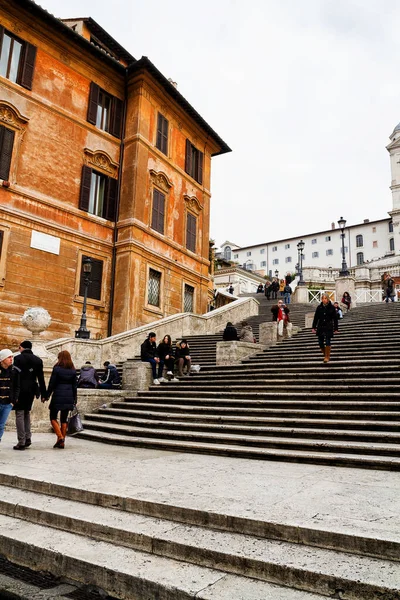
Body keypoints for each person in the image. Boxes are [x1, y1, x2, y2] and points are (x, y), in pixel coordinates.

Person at [12, 340, 46, 450]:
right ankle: (28, 438)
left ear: (22, 347)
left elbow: (15, 376)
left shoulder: (17, 359)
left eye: (19, 347)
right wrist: (43, 394)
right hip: (31, 390)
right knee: (26, 413)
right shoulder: (38, 360)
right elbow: (41, 378)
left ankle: (21, 441)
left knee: (20, 414)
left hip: (20, 389)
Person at [44, 350, 77, 449]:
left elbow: (52, 383)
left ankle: (60, 437)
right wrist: (75, 398)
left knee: (53, 416)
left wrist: (47, 395)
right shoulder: (73, 370)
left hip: (58, 394)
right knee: (64, 418)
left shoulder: (57, 368)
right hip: (69, 395)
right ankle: (62, 442)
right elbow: (75, 386)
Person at [0, 349, 20, 446]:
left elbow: (17, 386)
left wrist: (13, 401)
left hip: (8, 403)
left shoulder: (15, 370)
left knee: (1, 425)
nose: (11, 359)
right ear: (2, 359)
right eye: (9, 357)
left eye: (12, 357)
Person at [312, 293, 339, 363]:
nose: (324, 300)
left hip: (328, 326)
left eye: (325, 298)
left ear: (328, 299)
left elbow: (335, 319)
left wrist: (336, 328)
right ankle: (325, 355)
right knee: (320, 342)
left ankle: (327, 357)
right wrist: (313, 327)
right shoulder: (319, 307)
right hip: (320, 326)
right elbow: (316, 318)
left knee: (327, 341)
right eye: (322, 298)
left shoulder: (332, 307)